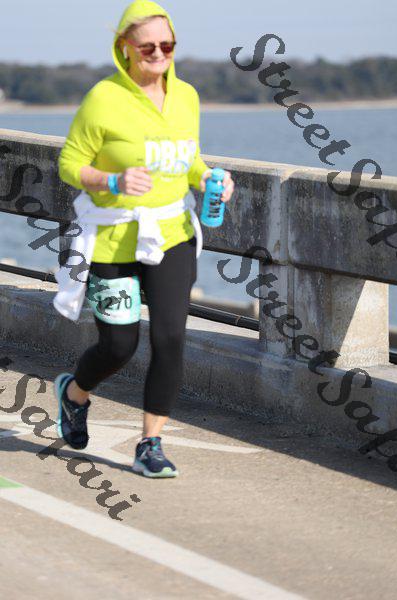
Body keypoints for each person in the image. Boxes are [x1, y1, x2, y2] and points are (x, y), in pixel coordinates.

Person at [54, 0, 235, 478]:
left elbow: (188, 160)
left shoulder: (187, 96)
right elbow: (69, 164)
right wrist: (111, 181)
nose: (159, 53)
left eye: (167, 45)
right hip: (113, 238)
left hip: (172, 234)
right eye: (148, 46)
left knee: (170, 338)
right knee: (118, 346)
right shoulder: (103, 98)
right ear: (125, 48)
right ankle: (74, 394)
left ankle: (150, 444)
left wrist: (210, 178)